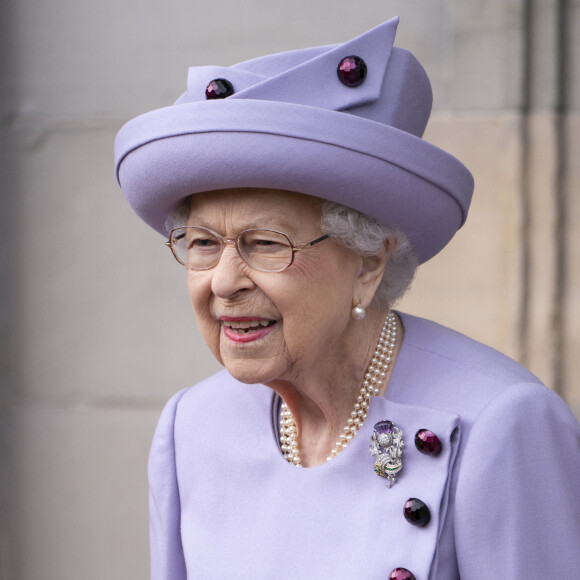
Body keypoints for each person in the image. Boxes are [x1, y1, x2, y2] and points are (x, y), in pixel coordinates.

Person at [114, 17, 580, 580]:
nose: (222, 281)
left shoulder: (502, 423)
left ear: (368, 262)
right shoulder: (192, 425)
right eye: (203, 244)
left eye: (265, 244)